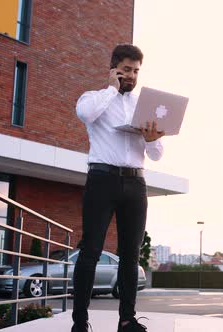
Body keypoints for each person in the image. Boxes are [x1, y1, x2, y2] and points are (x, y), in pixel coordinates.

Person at [72, 44, 164, 332]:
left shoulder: (143, 107)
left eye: (136, 71)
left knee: (130, 255)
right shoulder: (95, 98)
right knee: (91, 250)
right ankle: (80, 323)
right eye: (126, 70)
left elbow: (158, 154)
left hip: (135, 184)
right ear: (113, 69)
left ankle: (127, 320)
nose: (131, 76)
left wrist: (152, 138)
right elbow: (85, 115)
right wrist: (112, 89)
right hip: (102, 179)